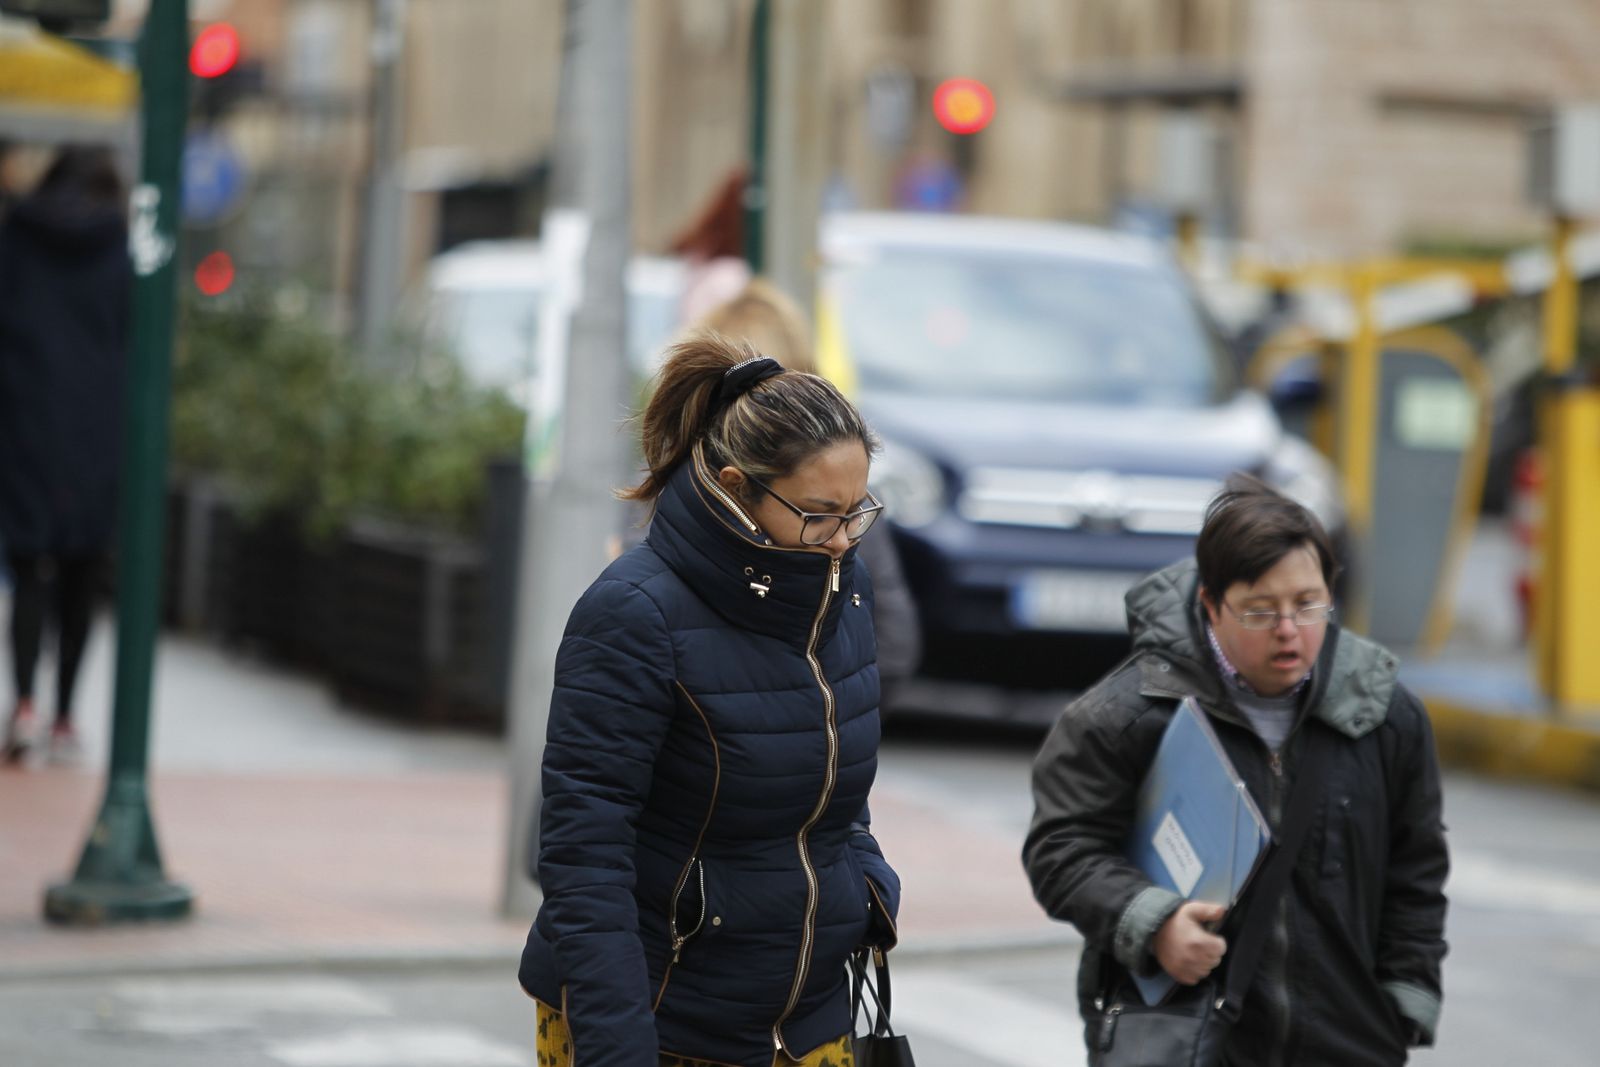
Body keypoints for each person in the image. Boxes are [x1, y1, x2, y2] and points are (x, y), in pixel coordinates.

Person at [517, 333, 901, 1067]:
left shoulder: (840, 588)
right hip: (663, 1023)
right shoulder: (634, 613)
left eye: (858, 511)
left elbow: (834, 785)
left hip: (806, 1017)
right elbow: (583, 860)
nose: (844, 538)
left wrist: (866, 882)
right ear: (735, 486)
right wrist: (618, 1047)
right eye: (821, 513)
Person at [1023, 474, 1448, 1065]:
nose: (1288, 631)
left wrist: (1406, 995)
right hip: (1190, 1040)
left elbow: (1416, 866)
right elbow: (1060, 848)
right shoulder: (1126, 716)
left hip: (1348, 1039)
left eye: (1307, 605)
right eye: (1259, 612)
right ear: (1210, 605)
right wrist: (1153, 924)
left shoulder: (1384, 716)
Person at [695, 279, 923, 699]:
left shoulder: (842, 498)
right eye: (816, 515)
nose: (838, 540)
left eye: (850, 515)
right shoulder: (665, 523)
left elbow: (890, 640)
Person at [0, 146, 130, 764]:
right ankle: (65, 716)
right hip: (97, 430)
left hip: (26, 422)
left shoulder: (16, 237)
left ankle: (23, 701)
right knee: (82, 572)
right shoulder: (120, 246)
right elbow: (136, 341)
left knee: (30, 566)